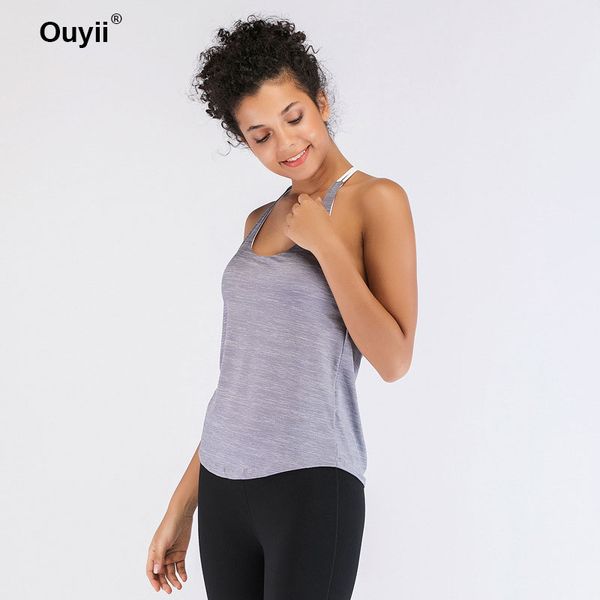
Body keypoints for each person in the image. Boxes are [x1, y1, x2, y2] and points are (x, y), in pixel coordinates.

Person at [146, 14, 417, 599]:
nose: (286, 144)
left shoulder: (376, 200)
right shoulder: (259, 220)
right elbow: (242, 383)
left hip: (312, 482)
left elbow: (394, 359)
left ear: (321, 102)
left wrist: (327, 247)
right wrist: (182, 504)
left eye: (294, 118)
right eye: (261, 135)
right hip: (223, 487)